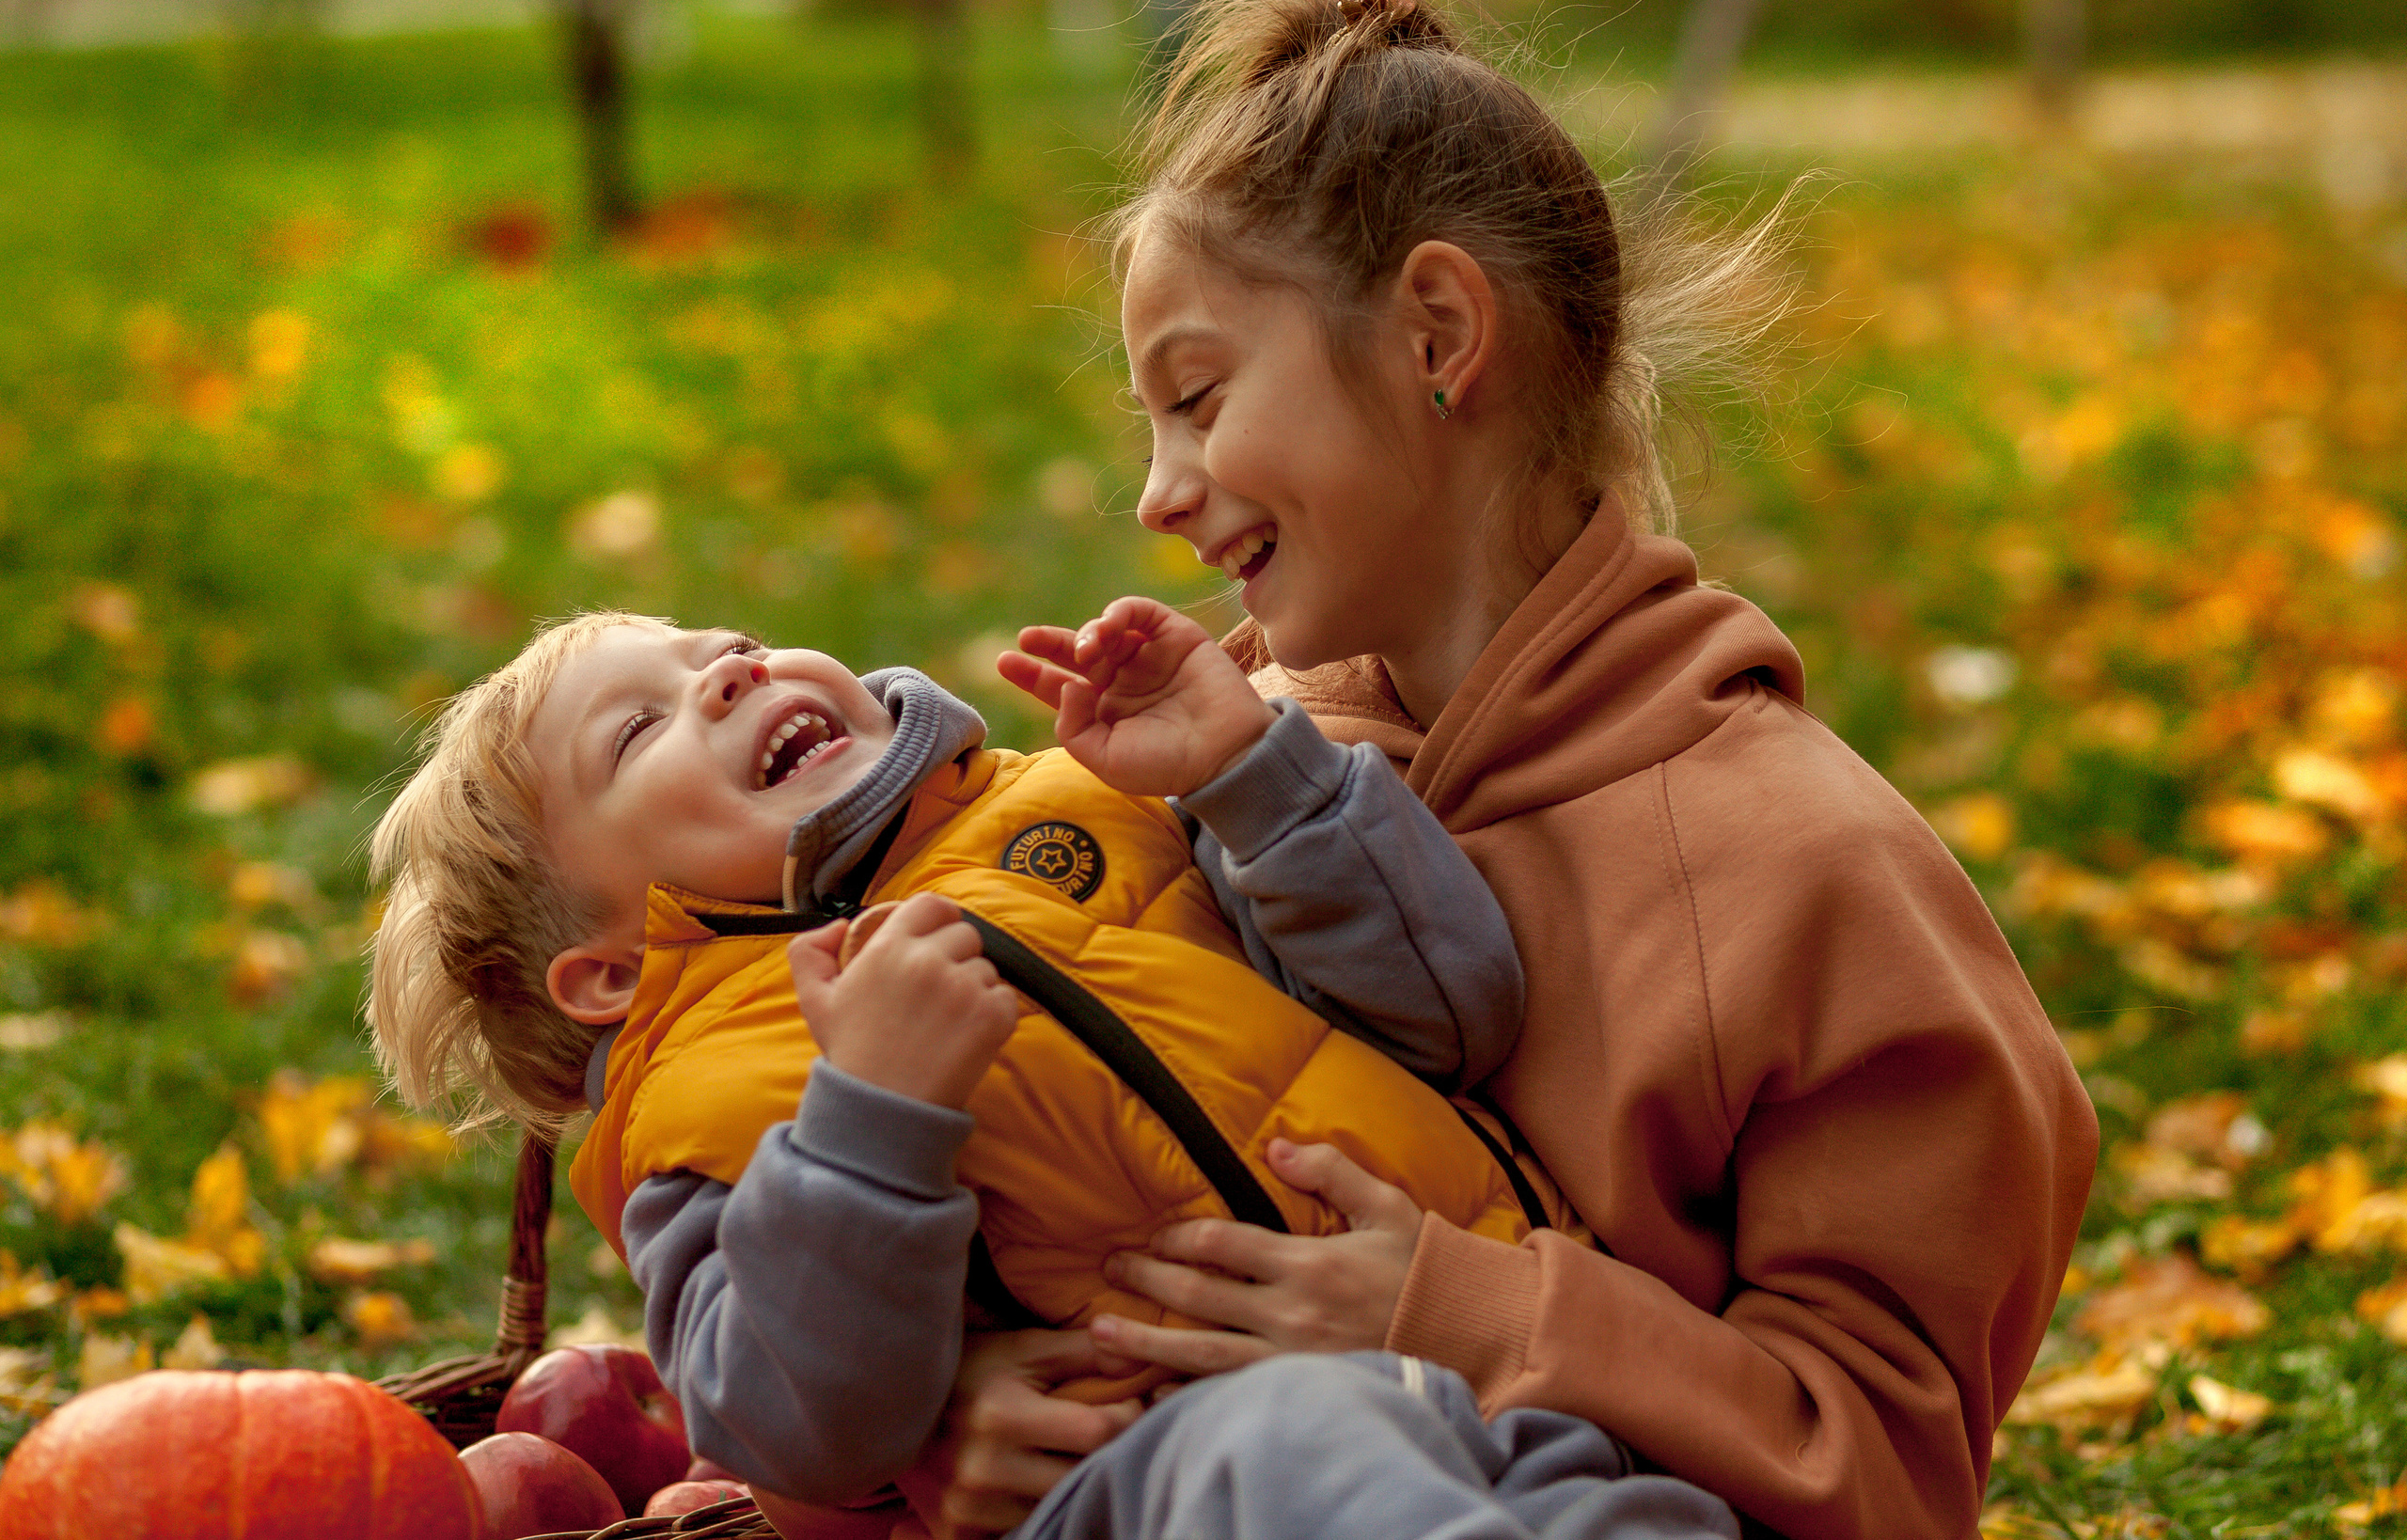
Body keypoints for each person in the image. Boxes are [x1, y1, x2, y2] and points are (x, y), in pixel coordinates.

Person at [926, 0, 2099, 1540]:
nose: (1158, 489)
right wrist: (985, 1402)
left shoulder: (1808, 878)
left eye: (1197, 396)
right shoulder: (1218, 777)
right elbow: (1086, 1158)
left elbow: (1883, 1469)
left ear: (1435, 336)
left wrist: (1454, 1317)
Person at [367, 601, 1730, 1536]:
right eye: (639, 731)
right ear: (606, 973)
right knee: (1297, 1451)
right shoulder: (721, 1103)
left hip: (1494, 1360)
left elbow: (1449, 1014)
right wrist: (872, 1118)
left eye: (724, 647)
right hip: (1167, 1474)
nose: (725, 674)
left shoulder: (1093, 798)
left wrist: (1255, 778)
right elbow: (798, 1425)